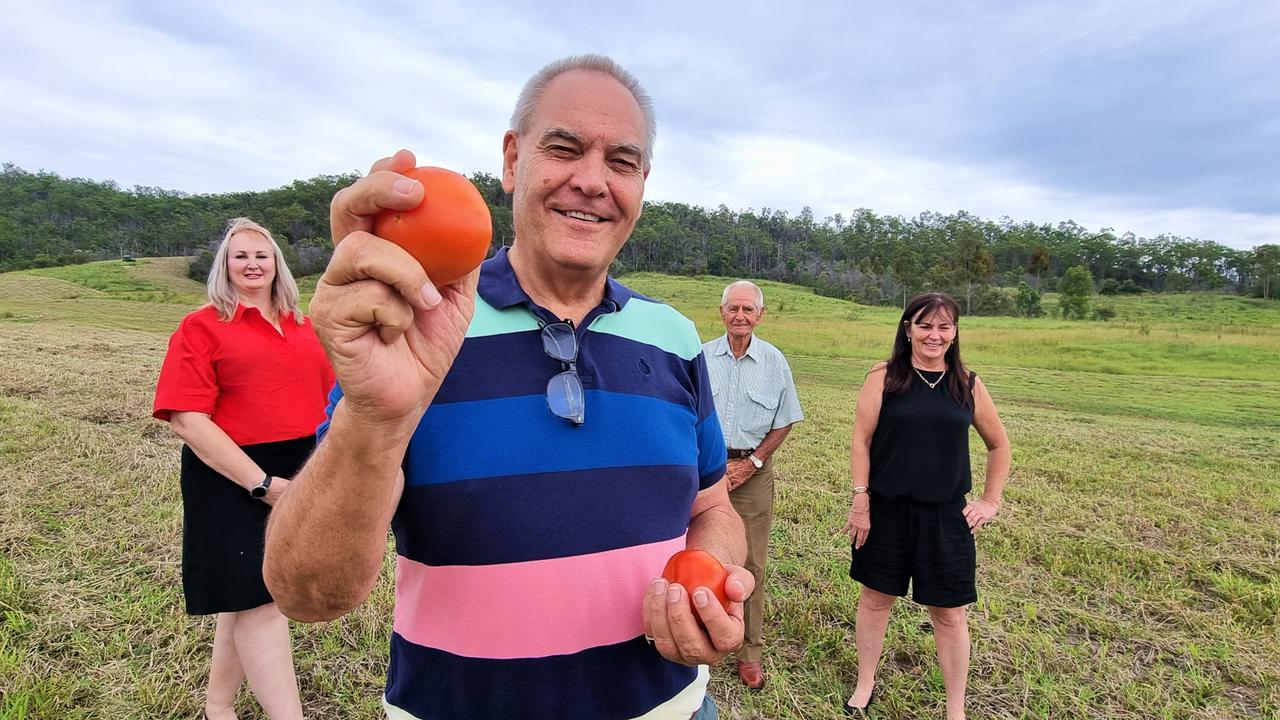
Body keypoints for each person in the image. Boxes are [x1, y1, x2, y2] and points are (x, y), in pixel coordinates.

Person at [262, 54, 753, 720]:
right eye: (565, 148)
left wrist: (709, 584)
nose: (591, 181)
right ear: (513, 160)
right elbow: (307, 594)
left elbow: (712, 509)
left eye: (621, 162)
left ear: (642, 183)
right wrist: (375, 419)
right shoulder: (419, 326)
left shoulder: (671, 335)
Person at [153, 218, 334, 720]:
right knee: (263, 601)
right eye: (240, 256)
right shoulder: (203, 326)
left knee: (247, 596)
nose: (252, 264)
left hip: (302, 465)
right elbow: (188, 419)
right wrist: (260, 484)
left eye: (262, 255)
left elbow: (334, 398)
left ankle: (218, 707)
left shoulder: (306, 324)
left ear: (277, 263)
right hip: (231, 473)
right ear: (225, 266)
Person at [841, 292, 1010, 719]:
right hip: (887, 511)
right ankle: (866, 681)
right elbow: (861, 440)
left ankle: (956, 708)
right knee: (875, 600)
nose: (934, 335)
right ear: (908, 328)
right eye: (924, 325)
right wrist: (861, 500)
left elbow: (999, 444)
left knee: (949, 614)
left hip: (945, 517)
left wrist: (991, 500)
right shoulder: (883, 377)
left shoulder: (967, 384)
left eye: (943, 327)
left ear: (954, 334)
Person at [700, 280, 802, 690]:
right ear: (722, 312)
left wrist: (753, 463)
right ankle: (699, 644)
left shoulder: (775, 362)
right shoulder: (701, 357)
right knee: (699, 554)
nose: (740, 315)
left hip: (752, 472)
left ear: (759, 316)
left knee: (752, 563)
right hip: (704, 471)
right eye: (733, 308)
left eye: (748, 309)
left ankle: (749, 653)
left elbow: (786, 419)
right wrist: (706, 466)